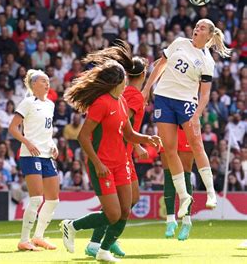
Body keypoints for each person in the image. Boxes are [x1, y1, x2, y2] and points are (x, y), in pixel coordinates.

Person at [61, 60, 161, 262]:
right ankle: (71, 226)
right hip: (103, 166)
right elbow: (82, 136)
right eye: (124, 78)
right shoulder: (101, 103)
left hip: (121, 164)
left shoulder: (122, 102)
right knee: (113, 214)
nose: (127, 81)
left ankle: (103, 250)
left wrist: (146, 139)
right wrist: (97, 163)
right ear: (117, 81)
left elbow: (128, 133)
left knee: (126, 210)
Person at [142, 19, 231, 218]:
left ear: (209, 35)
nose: (196, 29)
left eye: (201, 28)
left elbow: (205, 94)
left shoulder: (207, 61)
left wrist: (197, 115)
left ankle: (210, 193)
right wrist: (147, 89)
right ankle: (184, 197)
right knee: (169, 150)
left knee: (196, 145)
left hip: (186, 103)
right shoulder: (179, 42)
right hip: (164, 99)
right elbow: (160, 65)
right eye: (196, 26)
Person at [81, 43, 149, 258]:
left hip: (123, 152)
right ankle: (100, 242)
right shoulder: (130, 97)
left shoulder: (124, 93)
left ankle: (101, 243)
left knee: (128, 202)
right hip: (119, 154)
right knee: (125, 204)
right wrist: (137, 144)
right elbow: (121, 125)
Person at [9, 69, 60, 251]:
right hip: (30, 155)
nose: (47, 84)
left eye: (48, 81)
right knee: (37, 198)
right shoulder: (28, 102)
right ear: (33, 84)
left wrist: (52, 143)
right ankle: (24, 239)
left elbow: (46, 130)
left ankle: (38, 237)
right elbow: (13, 127)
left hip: (46, 154)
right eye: (43, 81)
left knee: (53, 199)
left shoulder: (50, 105)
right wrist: (27, 142)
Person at [161, 128, 194, 240]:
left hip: (184, 126)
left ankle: (186, 221)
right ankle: (170, 220)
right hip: (166, 125)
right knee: (168, 173)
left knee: (185, 174)